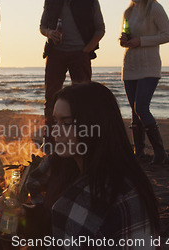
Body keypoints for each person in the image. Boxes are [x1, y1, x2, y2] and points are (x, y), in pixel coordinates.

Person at [0, 82, 160, 249]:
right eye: (55, 122)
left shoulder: (123, 197)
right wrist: (24, 215)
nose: (55, 132)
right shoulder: (62, 171)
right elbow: (52, 227)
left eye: (66, 123)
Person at [39, 0, 105, 153]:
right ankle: (49, 141)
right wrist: (50, 33)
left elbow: (100, 29)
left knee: (84, 99)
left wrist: (85, 51)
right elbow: (42, 27)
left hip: (79, 54)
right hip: (55, 53)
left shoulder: (90, 2)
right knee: (51, 99)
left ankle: (84, 140)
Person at [119, 0, 169, 165]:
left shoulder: (155, 8)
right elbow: (126, 36)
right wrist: (124, 40)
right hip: (130, 66)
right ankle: (139, 152)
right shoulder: (128, 12)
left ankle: (159, 151)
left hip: (149, 66)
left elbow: (167, 35)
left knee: (141, 107)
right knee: (135, 112)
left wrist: (141, 41)